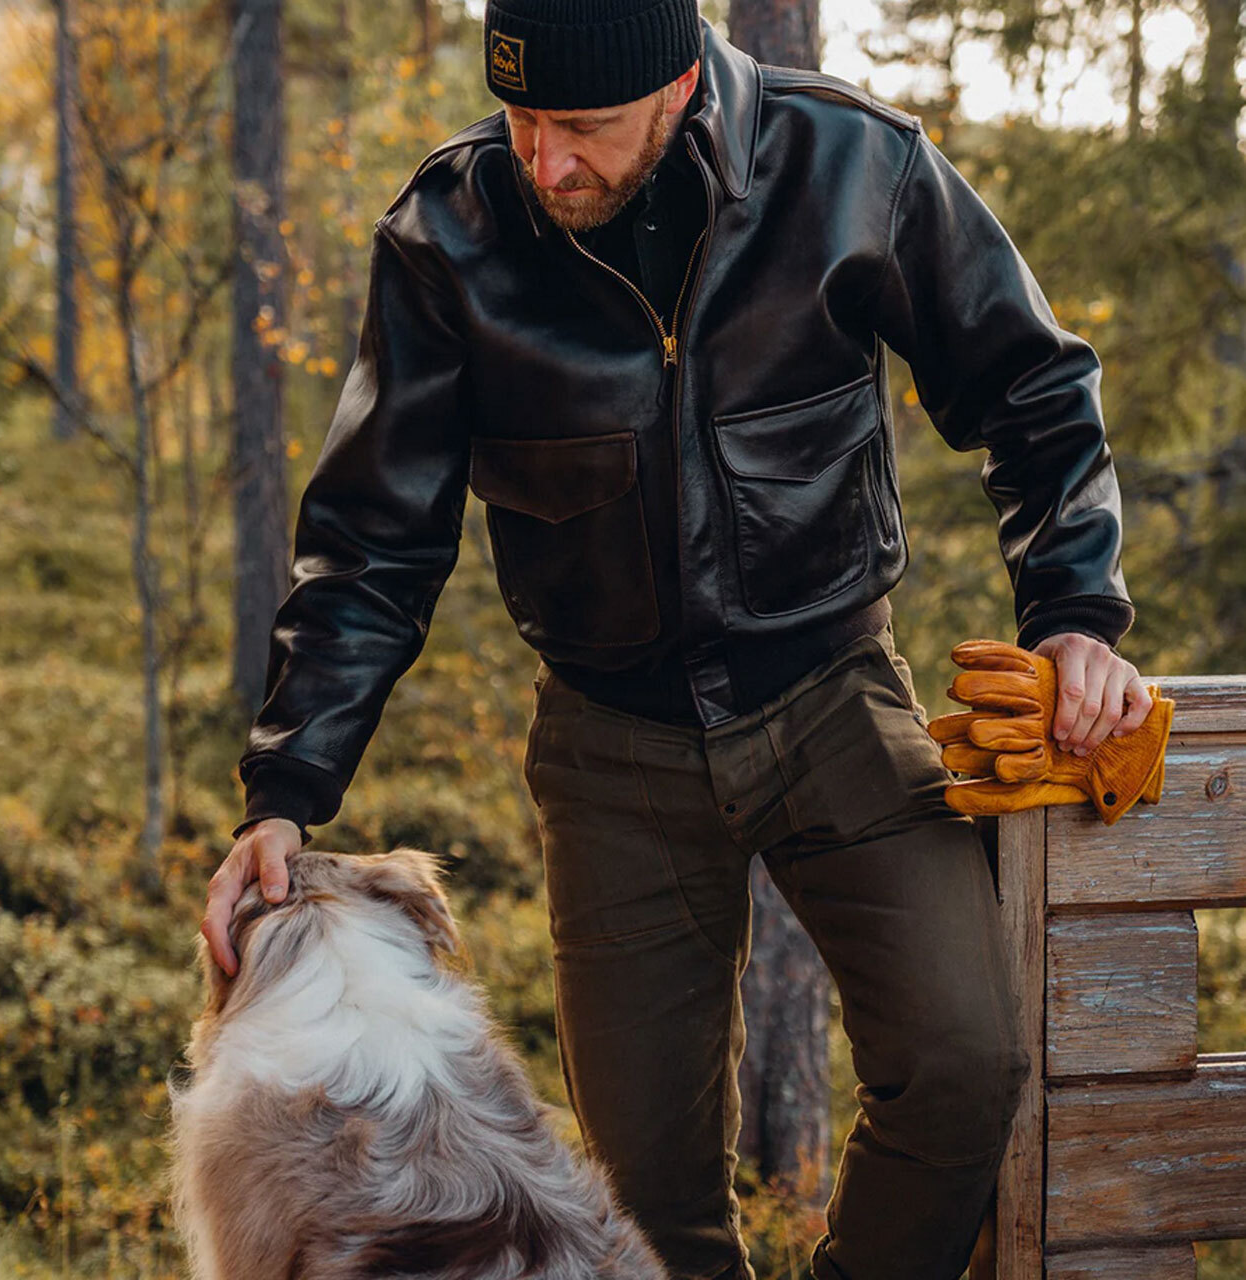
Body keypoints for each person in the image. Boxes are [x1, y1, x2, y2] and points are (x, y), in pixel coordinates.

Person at [202, 4, 1156, 1277]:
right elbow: (373, 541)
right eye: (521, 121)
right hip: (610, 745)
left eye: (580, 129)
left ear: (678, 81)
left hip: (831, 694)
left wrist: (1077, 615)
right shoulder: (446, 232)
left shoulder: (851, 165)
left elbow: (1032, 389)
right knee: (639, 1208)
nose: (544, 164)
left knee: (964, 1067)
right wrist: (284, 793)